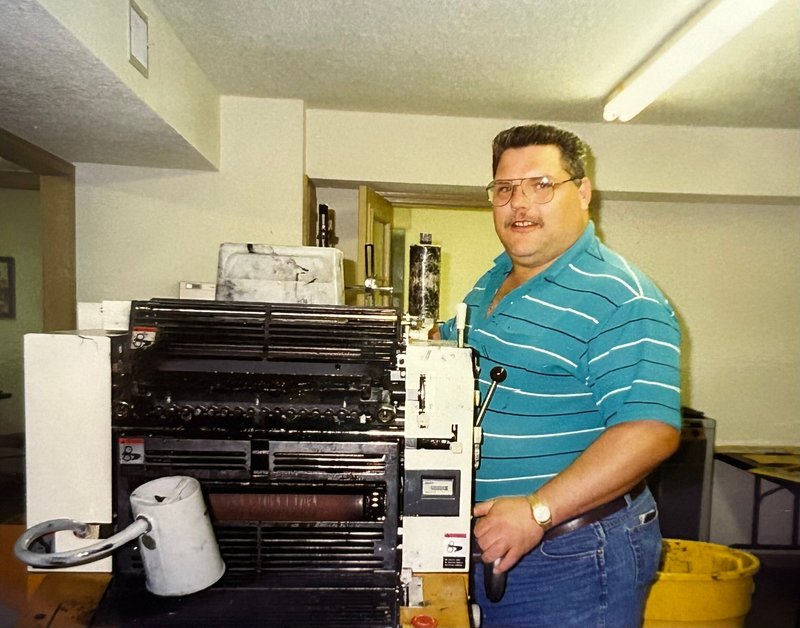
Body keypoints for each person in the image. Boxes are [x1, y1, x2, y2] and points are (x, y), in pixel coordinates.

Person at [436, 123, 682, 627]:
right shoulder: (493, 281)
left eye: (541, 185)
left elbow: (649, 433)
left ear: (584, 192)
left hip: (571, 551)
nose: (519, 203)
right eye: (504, 189)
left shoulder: (622, 297)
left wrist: (536, 511)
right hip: (490, 541)